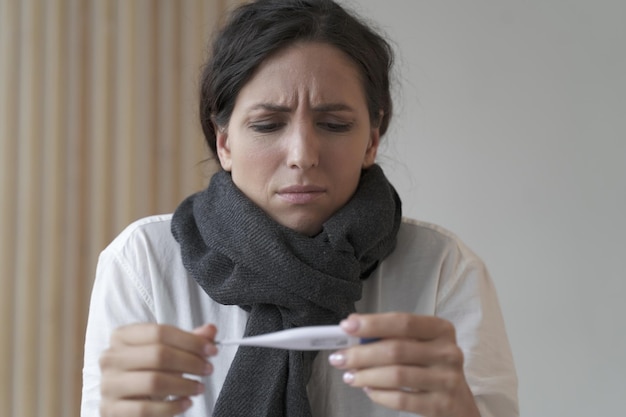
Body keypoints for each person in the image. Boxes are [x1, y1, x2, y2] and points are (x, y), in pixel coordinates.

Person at [81, 1, 518, 416]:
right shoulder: (143, 264)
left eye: (334, 124)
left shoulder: (442, 269)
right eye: (268, 125)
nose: (302, 155)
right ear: (224, 141)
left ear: (372, 139)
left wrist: (460, 409)